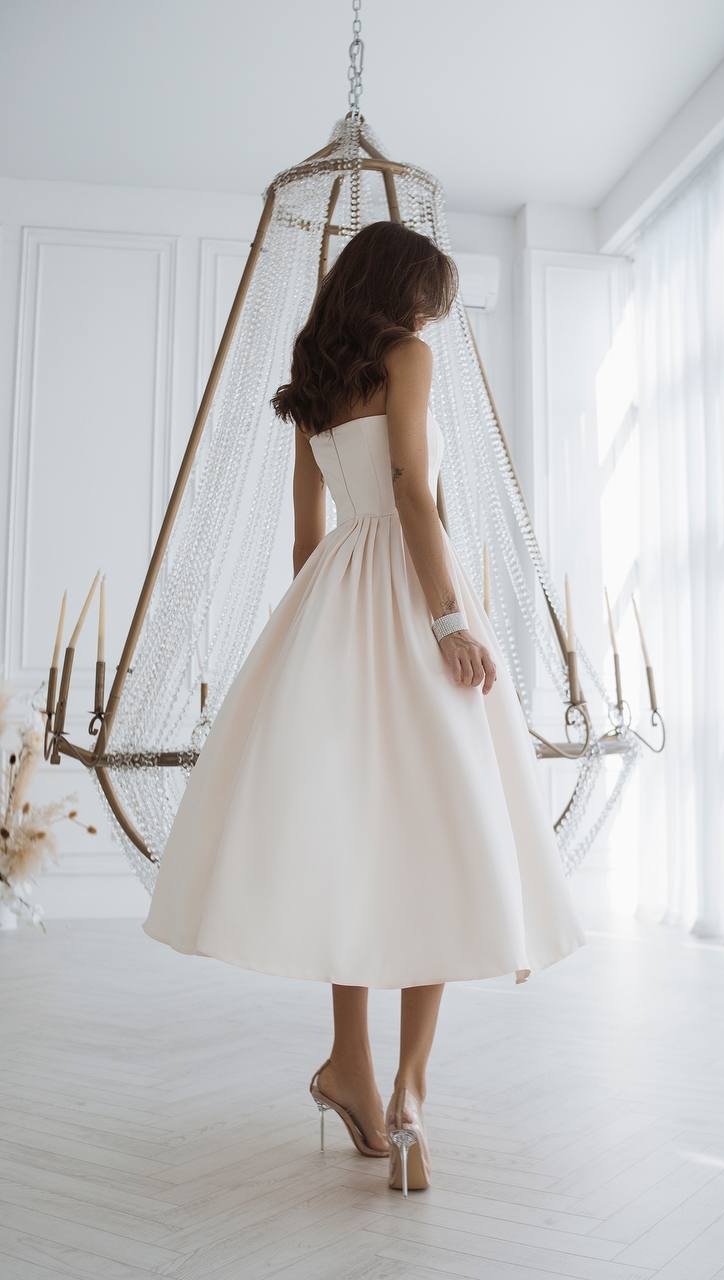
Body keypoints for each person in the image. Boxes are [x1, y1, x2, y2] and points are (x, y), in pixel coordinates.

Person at [142, 219, 585, 1196]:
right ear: (404, 293)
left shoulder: (311, 381)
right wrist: (448, 621)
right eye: (429, 295)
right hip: (412, 596)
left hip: (334, 601)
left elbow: (307, 541)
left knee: (355, 834)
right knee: (444, 827)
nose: (431, 314)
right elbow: (412, 496)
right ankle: (411, 1090)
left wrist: (323, 637)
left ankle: (352, 1063)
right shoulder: (409, 355)